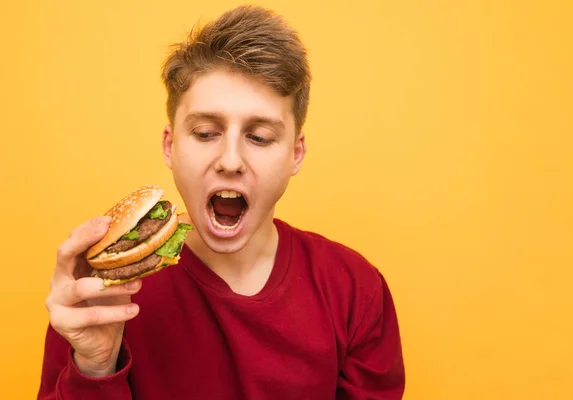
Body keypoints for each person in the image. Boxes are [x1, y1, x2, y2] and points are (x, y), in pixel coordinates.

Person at [38, 5, 405, 399]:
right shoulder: (97, 297)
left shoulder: (355, 289)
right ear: (170, 145)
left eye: (260, 137)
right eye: (206, 132)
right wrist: (95, 366)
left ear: (295, 154)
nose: (231, 161)